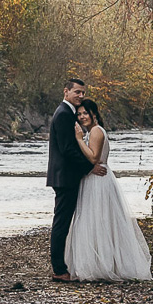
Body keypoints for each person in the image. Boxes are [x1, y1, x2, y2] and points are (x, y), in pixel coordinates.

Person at [64, 99, 152, 281]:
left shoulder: (96, 131)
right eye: (79, 114)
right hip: (93, 179)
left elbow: (94, 158)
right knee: (92, 220)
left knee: (98, 220)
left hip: (98, 180)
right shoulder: (92, 131)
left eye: (85, 113)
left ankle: (101, 265)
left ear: (93, 114)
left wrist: (79, 139)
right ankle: (95, 263)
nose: (81, 117)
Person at [47, 78, 105, 281]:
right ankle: (59, 270)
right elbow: (67, 149)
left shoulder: (67, 113)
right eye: (77, 92)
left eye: (83, 93)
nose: (81, 96)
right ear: (66, 92)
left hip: (65, 176)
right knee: (61, 223)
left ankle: (62, 267)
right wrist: (90, 167)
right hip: (65, 177)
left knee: (63, 221)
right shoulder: (64, 114)